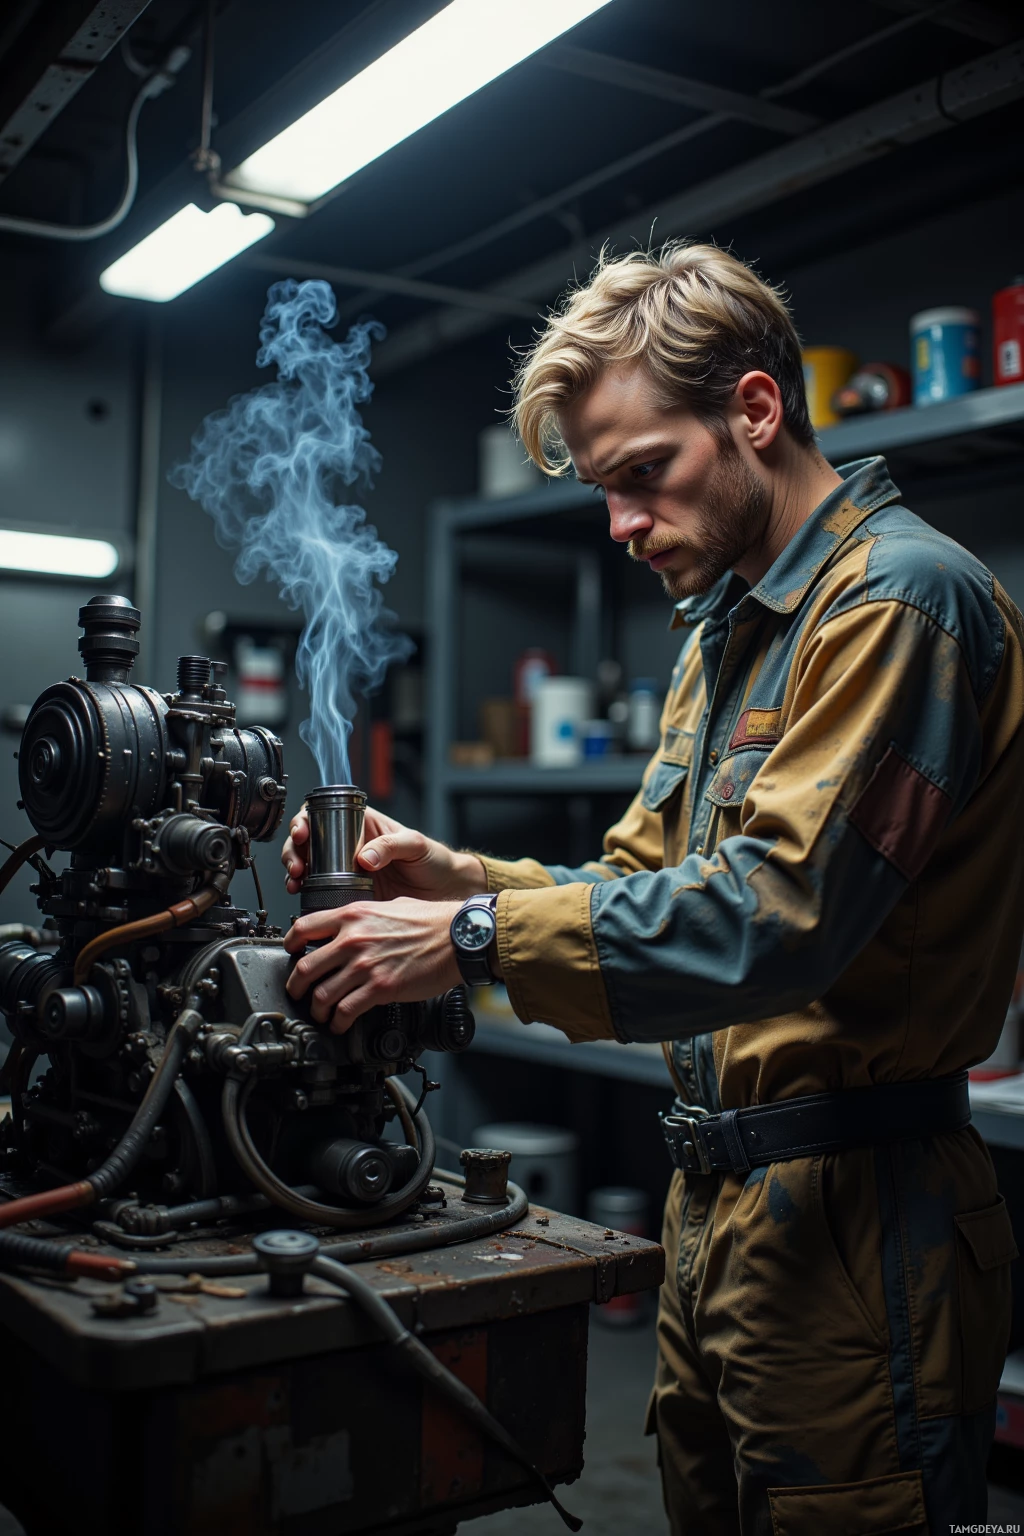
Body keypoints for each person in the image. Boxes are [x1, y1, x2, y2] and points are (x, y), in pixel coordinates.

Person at [280, 242, 1024, 1535]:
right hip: (716, 1213)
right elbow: (646, 886)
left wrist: (462, 936)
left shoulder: (903, 605)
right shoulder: (722, 629)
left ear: (752, 410)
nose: (622, 524)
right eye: (603, 489)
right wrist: (456, 875)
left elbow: (773, 918)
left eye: (644, 475)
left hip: (856, 1226)